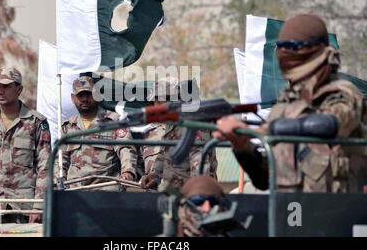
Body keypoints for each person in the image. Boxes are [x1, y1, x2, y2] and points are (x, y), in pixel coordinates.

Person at [214, 14, 367, 193]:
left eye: (293, 47)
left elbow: (328, 124)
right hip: (289, 215)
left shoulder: (345, 94)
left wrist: (262, 130)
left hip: (341, 213)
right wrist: (242, 146)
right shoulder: (283, 109)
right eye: (282, 48)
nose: (286, 54)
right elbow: (264, 180)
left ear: (318, 50)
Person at [0, 67, 51, 224]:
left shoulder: (36, 122)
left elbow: (45, 167)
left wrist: (38, 206)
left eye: (6, 86)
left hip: (23, 207)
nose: (0, 91)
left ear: (19, 89)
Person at [55, 75, 137, 190]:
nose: (84, 99)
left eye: (89, 94)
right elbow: (60, 160)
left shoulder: (113, 121)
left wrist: (128, 172)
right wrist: (57, 183)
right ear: (73, 98)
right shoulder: (67, 127)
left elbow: (126, 148)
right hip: (74, 191)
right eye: (80, 95)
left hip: (105, 189)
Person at [140, 79, 217, 191]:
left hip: (191, 193)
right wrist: (154, 175)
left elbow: (199, 162)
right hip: (174, 191)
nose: (155, 106)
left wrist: (197, 194)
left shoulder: (194, 122)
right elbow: (164, 152)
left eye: (158, 101)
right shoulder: (173, 122)